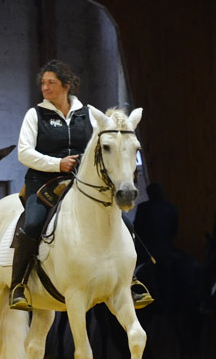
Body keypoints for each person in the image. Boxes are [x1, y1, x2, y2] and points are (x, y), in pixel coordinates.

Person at [9, 59, 152, 311]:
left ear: (66, 85)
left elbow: (103, 148)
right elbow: (24, 153)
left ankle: (130, 280)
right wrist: (57, 163)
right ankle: (18, 285)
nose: (45, 88)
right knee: (32, 224)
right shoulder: (35, 115)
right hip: (43, 182)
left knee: (125, 224)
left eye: (51, 83)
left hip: (81, 183)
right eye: (43, 83)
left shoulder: (89, 115)